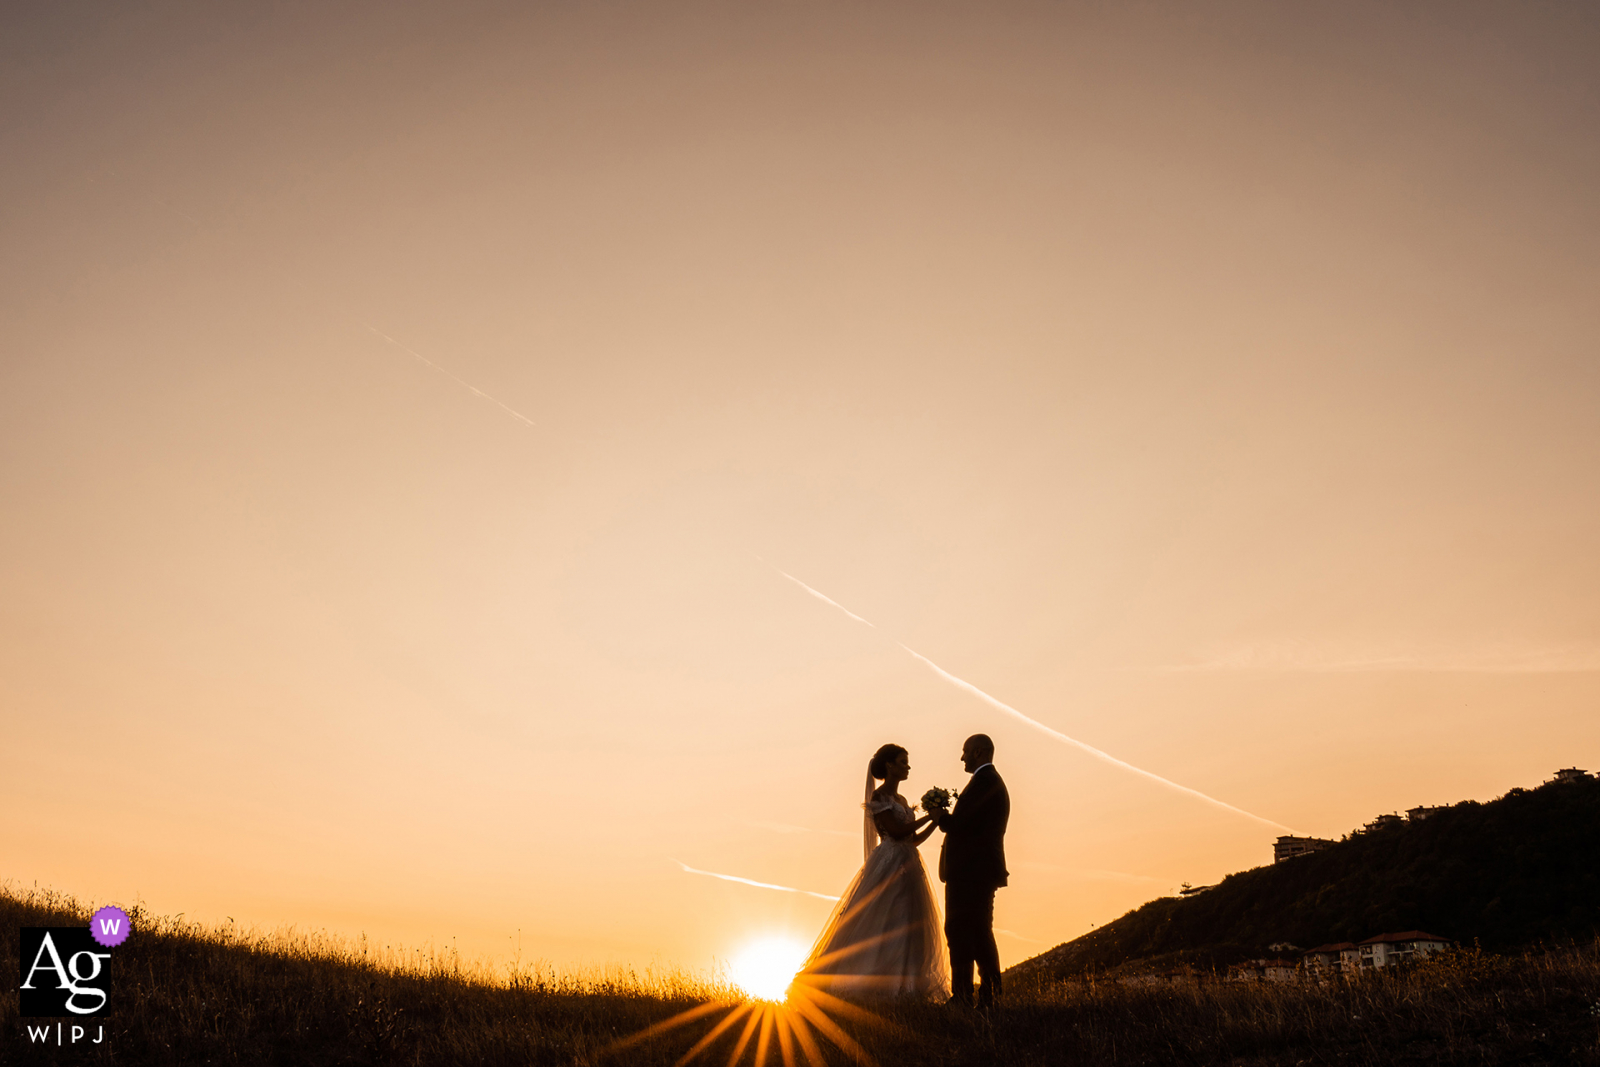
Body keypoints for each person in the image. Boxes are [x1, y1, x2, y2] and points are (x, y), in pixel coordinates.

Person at [793, 744, 951, 1000]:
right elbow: (897, 833)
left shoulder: (900, 800)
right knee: (884, 919)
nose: (907, 766)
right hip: (888, 864)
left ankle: (904, 988)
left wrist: (935, 820)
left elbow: (912, 839)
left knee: (908, 923)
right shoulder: (879, 798)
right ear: (889, 765)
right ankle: (867, 983)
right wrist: (928, 816)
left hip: (908, 863)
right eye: (903, 762)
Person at [928, 734, 1009, 1009]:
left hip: (972, 873)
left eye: (965, 752)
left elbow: (960, 825)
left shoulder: (985, 782)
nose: (962, 757)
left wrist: (939, 816)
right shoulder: (985, 782)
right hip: (974, 872)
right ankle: (979, 995)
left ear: (979, 752)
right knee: (971, 932)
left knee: (969, 932)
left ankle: (972, 995)